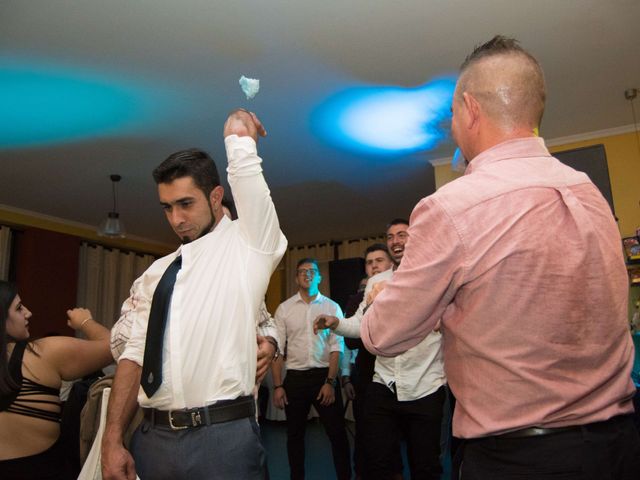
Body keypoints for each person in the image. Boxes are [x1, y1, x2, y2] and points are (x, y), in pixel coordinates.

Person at [360, 35, 640, 479]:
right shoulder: (591, 195)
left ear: (470, 110)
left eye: (453, 114)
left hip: (522, 459)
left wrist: (388, 297)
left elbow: (383, 336)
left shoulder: (452, 207)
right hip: (620, 446)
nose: (453, 127)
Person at [101, 109, 287, 480]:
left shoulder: (248, 247)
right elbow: (134, 355)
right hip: (152, 438)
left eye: (186, 204)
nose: (176, 219)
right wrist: (113, 439)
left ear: (216, 196)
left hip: (223, 439)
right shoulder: (156, 274)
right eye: (167, 208)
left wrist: (238, 141)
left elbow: (252, 190)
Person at [316, 220, 446, 479]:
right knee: (379, 461)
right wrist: (337, 323)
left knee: (425, 466)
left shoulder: (435, 274)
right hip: (383, 381)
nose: (395, 241)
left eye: (402, 235)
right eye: (390, 236)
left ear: (416, 236)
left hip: (425, 384)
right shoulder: (376, 281)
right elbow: (360, 325)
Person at [0, 280, 112, 479]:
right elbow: (115, 345)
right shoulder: (42, 356)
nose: (28, 313)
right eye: (18, 308)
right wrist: (85, 321)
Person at [272, 258, 351, 480]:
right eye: (302, 271)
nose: (307, 274)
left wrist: (330, 382)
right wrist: (278, 385)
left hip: (323, 377)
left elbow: (337, 348)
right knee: (294, 436)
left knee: (337, 435)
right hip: (294, 380)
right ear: (296, 278)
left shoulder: (332, 307)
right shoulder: (284, 309)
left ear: (319, 277)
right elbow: (277, 349)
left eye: (312, 271)